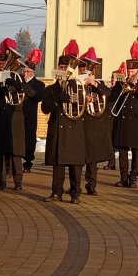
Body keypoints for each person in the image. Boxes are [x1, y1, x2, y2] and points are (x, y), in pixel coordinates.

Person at [42, 40, 87, 204]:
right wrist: (57, 99)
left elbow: (81, 108)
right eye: (61, 68)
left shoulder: (78, 86)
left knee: (75, 165)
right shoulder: (50, 89)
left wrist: (73, 99)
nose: (63, 71)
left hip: (73, 128)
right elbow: (45, 109)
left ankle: (75, 194)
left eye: (66, 68)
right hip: (57, 129)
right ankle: (56, 191)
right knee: (58, 164)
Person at [111, 41, 138, 188]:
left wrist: (136, 88)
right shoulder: (122, 83)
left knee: (136, 152)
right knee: (122, 152)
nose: (130, 73)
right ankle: (123, 177)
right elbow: (114, 98)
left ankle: (133, 177)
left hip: (136, 121)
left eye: (132, 71)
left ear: (137, 71)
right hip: (123, 121)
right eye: (129, 71)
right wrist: (119, 86)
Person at [0, 38, 26, 190]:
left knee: (16, 153)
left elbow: (22, 92)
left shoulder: (15, 78)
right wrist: (1, 86)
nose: (1, 67)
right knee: (0, 152)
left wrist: (13, 84)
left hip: (14, 118)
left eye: (4, 64)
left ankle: (18, 182)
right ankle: (2, 181)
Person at [79, 47, 113, 196]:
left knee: (92, 160)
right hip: (79, 125)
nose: (84, 74)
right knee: (78, 158)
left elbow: (108, 94)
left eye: (87, 71)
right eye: (82, 71)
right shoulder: (76, 84)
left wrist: (94, 84)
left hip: (94, 126)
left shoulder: (99, 85)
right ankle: (75, 186)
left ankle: (91, 186)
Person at [21, 48, 46, 173]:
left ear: (33, 72)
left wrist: (26, 88)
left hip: (30, 115)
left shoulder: (39, 84)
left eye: (27, 71)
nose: (24, 74)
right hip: (17, 113)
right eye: (24, 71)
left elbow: (38, 97)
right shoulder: (18, 80)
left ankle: (28, 161)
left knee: (29, 137)